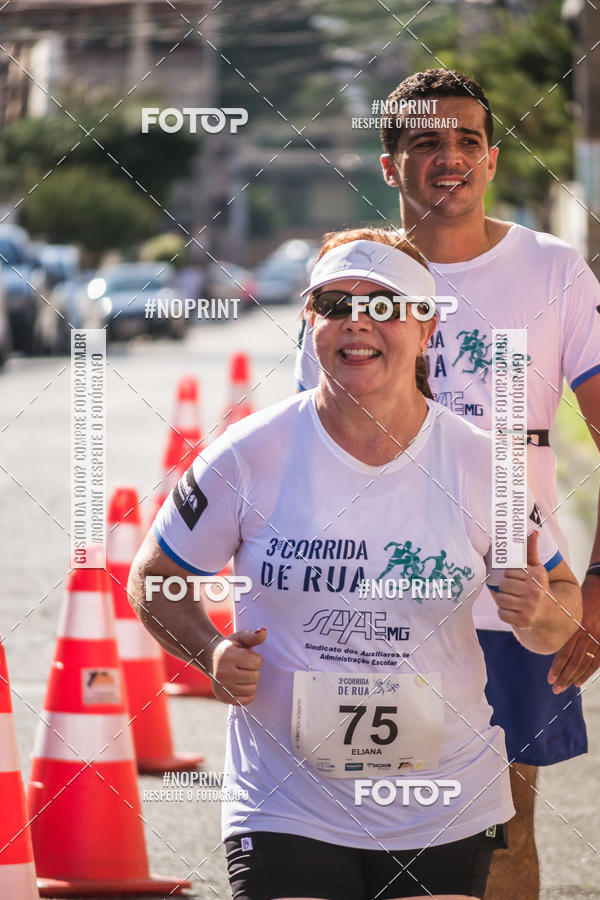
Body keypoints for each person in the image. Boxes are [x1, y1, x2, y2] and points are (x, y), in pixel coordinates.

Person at [129, 229, 582, 900]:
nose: (357, 321)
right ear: (312, 323)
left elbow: (561, 615)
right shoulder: (250, 454)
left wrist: (542, 614)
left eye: (386, 305)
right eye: (336, 303)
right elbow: (155, 580)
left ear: (427, 327)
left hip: (442, 796)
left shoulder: (481, 465)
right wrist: (210, 651)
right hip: (286, 801)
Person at [295, 69, 600, 900]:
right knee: (359, 827)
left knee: (502, 829)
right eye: (426, 141)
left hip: (513, 602)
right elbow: (307, 455)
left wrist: (595, 589)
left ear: (493, 159)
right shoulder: (349, 282)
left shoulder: (554, 271)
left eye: (468, 140)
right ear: (391, 165)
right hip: (371, 607)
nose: (450, 158)